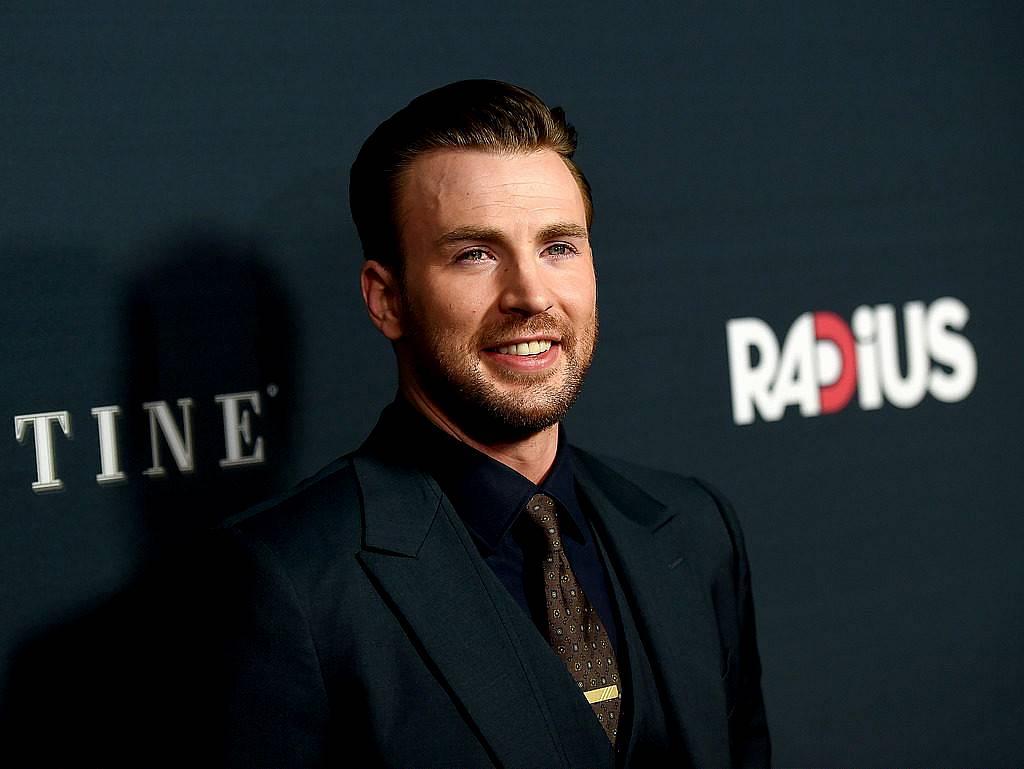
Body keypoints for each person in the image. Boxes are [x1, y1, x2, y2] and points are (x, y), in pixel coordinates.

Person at [209, 79, 770, 768]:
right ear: (387, 300)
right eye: (475, 253)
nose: (531, 294)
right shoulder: (290, 582)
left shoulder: (694, 528)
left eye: (559, 246)